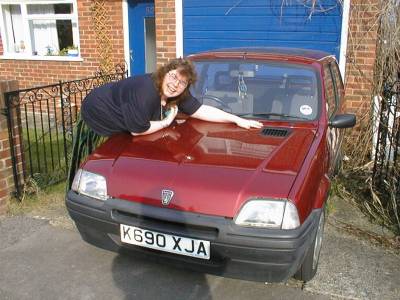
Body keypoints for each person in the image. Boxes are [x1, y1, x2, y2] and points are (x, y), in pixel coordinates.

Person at [67, 58, 262, 188]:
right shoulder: (145, 91)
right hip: (99, 112)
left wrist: (237, 119)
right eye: (173, 77)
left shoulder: (177, 93)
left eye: (182, 83)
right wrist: (167, 121)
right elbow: (138, 130)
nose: (175, 84)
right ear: (164, 73)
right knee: (107, 158)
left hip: (129, 115)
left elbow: (200, 110)